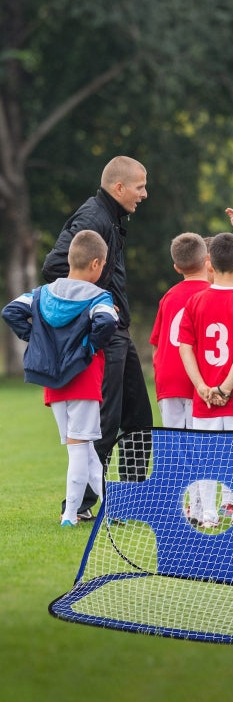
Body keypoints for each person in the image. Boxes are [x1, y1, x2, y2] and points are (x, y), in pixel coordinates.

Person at [42, 156, 152, 519]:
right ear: (118, 188)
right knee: (105, 420)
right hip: (105, 334)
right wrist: (97, 304)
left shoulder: (111, 218)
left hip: (119, 331)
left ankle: (131, 500)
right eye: (139, 187)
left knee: (137, 416)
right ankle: (86, 505)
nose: (144, 194)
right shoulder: (93, 219)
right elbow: (56, 267)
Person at [3, 230, 118, 526]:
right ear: (96, 264)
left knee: (82, 446)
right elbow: (106, 321)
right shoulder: (99, 296)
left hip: (54, 383)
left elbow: (11, 311)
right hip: (84, 378)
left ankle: (111, 508)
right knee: (80, 449)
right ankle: (70, 516)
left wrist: (37, 340)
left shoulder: (42, 294)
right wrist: (89, 347)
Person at [178, 232, 233, 527]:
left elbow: (185, 348)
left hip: (204, 399)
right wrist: (225, 388)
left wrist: (202, 386)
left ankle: (208, 515)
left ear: (209, 264)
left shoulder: (195, 301)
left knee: (205, 459)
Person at [150, 232, 210, 430]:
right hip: (199, 379)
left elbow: (156, 344)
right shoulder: (212, 294)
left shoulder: (169, 296)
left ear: (176, 267)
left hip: (168, 379)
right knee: (199, 446)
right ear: (207, 260)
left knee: (174, 449)